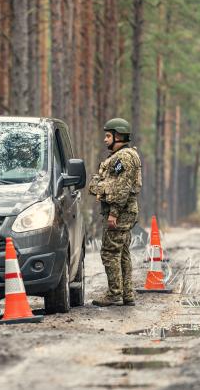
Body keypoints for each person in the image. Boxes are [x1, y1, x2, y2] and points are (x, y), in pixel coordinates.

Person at [88, 118, 143, 307]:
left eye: (108, 136)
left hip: (120, 211)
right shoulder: (123, 156)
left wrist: (114, 213)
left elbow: (121, 188)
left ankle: (114, 293)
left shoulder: (124, 157)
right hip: (124, 211)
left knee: (110, 252)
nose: (105, 140)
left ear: (118, 136)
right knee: (122, 252)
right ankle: (127, 294)